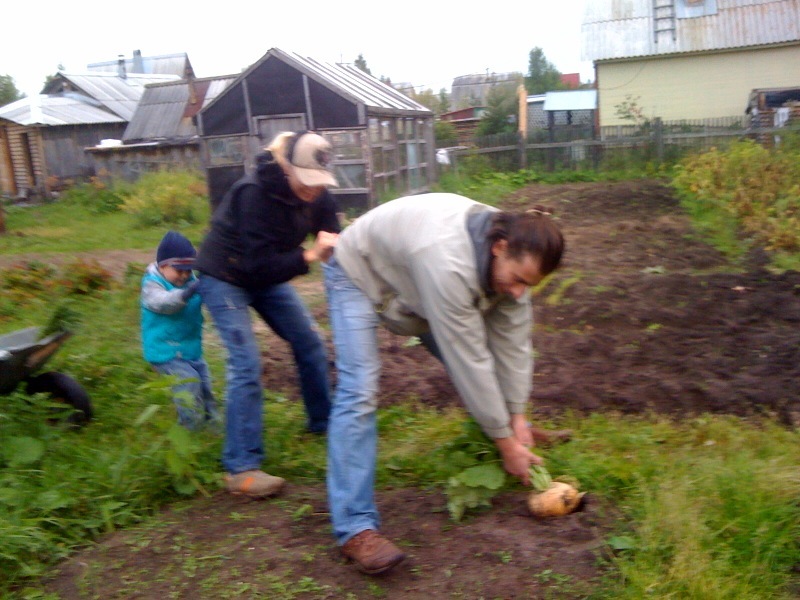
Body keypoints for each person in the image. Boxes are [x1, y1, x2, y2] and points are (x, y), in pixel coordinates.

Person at [322, 193, 565, 574]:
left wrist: (517, 416)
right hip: (360, 271)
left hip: (415, 285)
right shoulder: (449, 262)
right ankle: (355, 528)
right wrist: (503, 441)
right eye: (518, 280)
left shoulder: (517, 252)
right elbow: (469, 360)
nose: (520, 292)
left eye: (529, 285)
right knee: (360, 390)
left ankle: (518, 435)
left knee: (492, 360)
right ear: (499, 248)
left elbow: (514, 347)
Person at [195, 131, 340, 499]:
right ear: (287, 167)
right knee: (246, 362)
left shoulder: (318, 192)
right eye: (306, 181)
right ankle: (241, 468)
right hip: (225, 275)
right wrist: (309, 256)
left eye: (319, 182)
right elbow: (258, 265)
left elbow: (332, 233)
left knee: (310, 341)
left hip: (266, 274)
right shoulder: (254, 193)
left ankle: (324, 423)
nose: (313, 190)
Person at [141, 230, 220, 431]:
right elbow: (163, 303)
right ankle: (191, 429)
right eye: (179, 270)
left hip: (191, 350)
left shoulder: (190, 281)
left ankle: (213, 426)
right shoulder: (152, 285)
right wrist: (186, 294)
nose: (184, 275)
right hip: (165, 351)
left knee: (205, 385)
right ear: (163, 265)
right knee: (188, 385)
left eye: (188, 270)